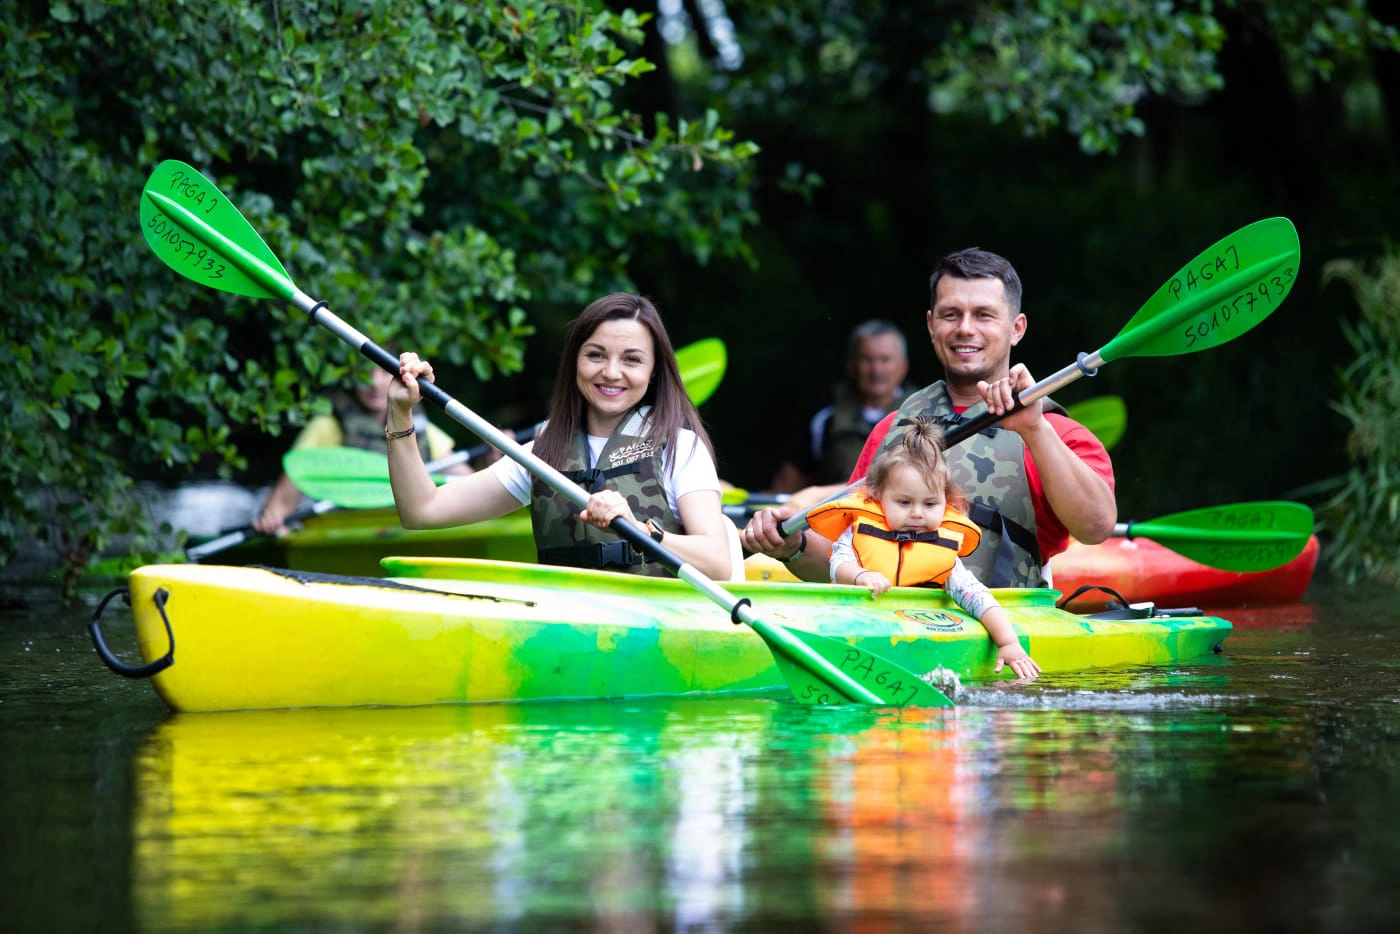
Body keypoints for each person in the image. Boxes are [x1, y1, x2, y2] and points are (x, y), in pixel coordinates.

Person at [744, 247, 1116, 588]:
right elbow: (842, 556)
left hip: (1002, 638)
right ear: (931, 325)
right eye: (951, 314)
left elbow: (1097, 526)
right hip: (896, 628)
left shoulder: (1058, 433)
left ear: (1016, 328)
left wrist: (1035, 428)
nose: (965, 328)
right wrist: (792, 546)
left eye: (984, 315)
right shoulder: (891, 430)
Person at [385, 292, 733, 581]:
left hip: (657, 636)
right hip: (568, 640)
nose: (611, 372)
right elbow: (422, 511)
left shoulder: (679, 447)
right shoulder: (542, 454)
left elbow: (717, 561)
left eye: (632, 360)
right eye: (595, 355)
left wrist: (641, 531)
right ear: (575, 362)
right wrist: (400, 411)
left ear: (654, 371)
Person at [807, 417, 1041, 679]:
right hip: (855, 630)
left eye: (930, 504)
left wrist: (1008, 643)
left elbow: (977, 597)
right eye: (904, 502)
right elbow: (838, 564)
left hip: (913, 639)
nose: (917, 514)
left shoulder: (945, 555)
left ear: (946, 502)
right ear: (877, 497)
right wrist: (861, 576)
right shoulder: (858, 530)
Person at [252, 366, 463, 534]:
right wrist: (274, 514)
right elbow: (293, 483)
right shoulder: (329, 425)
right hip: (346, 527)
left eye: (383, 373)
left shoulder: (420, 427)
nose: (375, 384)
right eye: (366, 374)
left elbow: (462, 477)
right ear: (352, 378)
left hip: (400, 526)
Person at [769, 319, 911, 493]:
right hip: (837, 514)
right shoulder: (828, 413)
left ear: (903, 366)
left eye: (885, 359)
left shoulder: (923, 410)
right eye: (867, 359)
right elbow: (790, 479)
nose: (876, 369)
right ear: (851, 365)